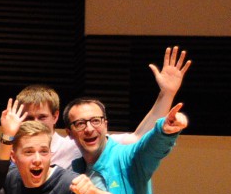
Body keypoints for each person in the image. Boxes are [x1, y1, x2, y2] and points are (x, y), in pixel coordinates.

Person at [16, 47, 189, 168]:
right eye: (29, 118)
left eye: (42, 117)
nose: (36, 123)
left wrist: (166, 94)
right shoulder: (12, 152)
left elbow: (138, 137)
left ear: (55, 116)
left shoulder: (77, 143)